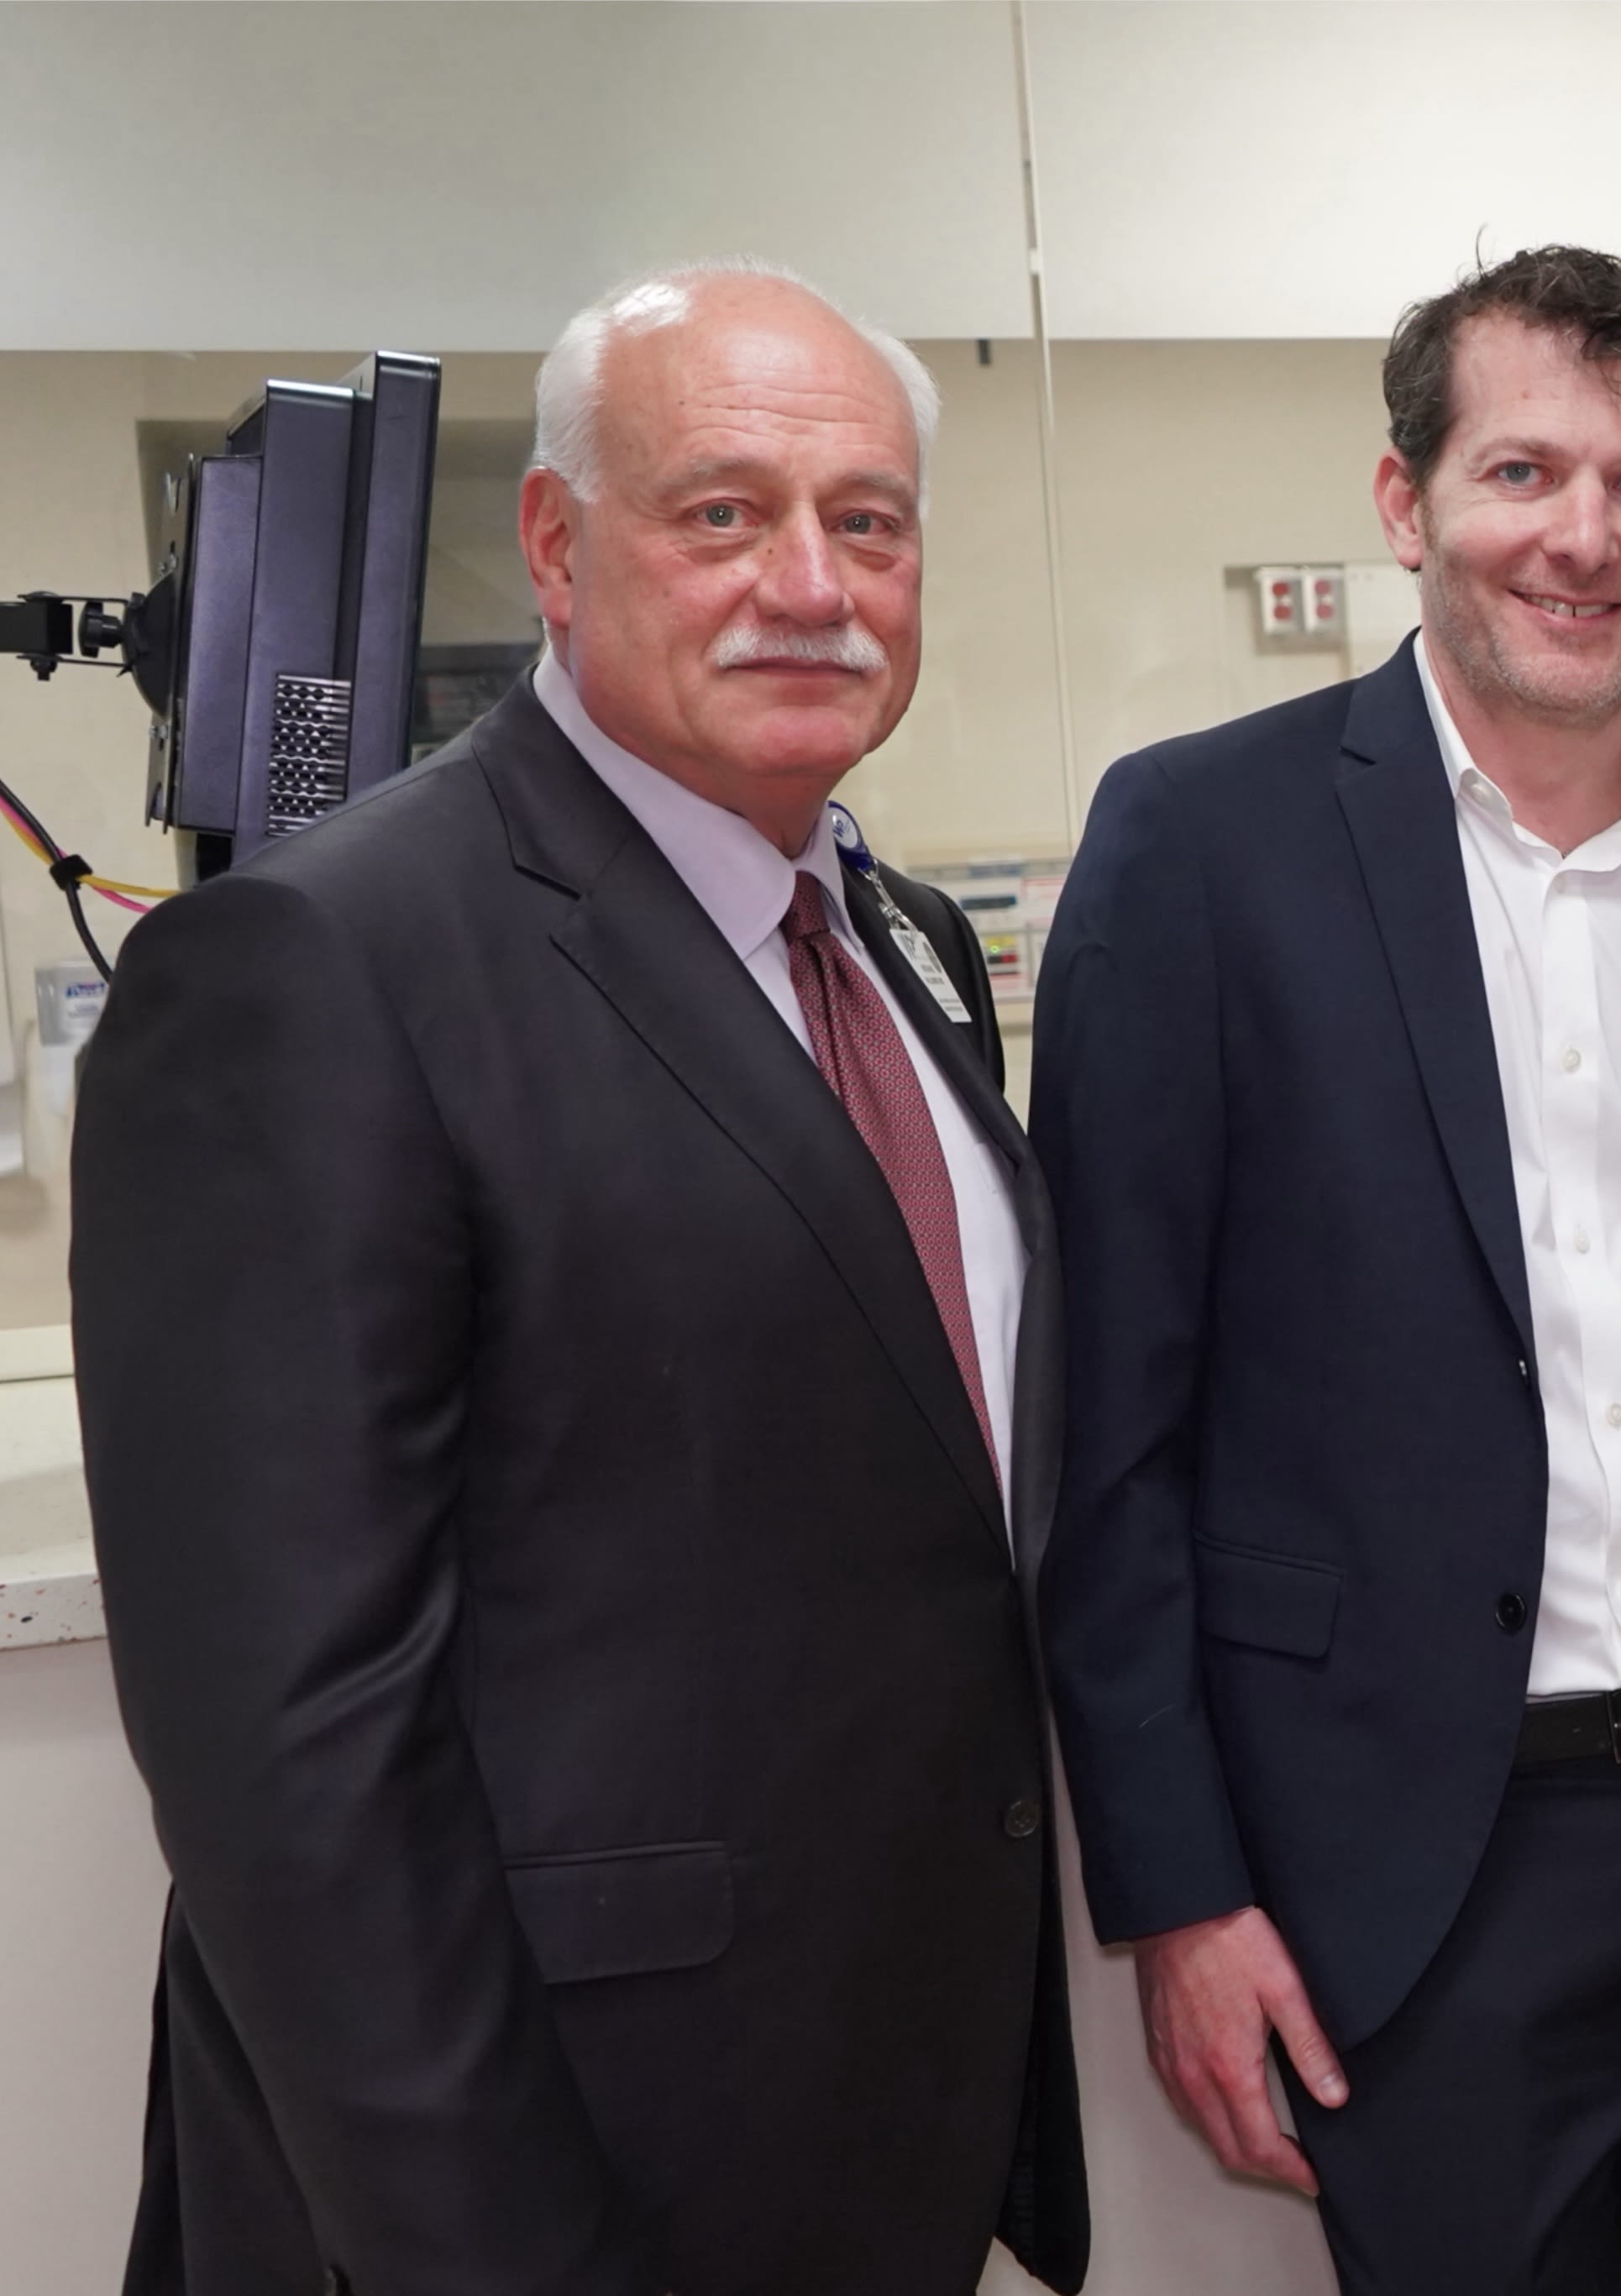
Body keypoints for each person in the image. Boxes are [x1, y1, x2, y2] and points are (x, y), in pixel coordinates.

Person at [76, 261, 1083, 2295]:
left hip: (866, 2126)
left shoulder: (891, 941)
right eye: (722, 511)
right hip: (536, 2181)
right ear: (556, 544)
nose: (811, 581)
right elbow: (295, 1762)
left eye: (866, 521)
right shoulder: (320, 966)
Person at [1032, 246, 1621, 2293]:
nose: (1586, 538)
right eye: (1525, 471)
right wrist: (1181, 1894)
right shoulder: (1199, 848)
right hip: (1417, 1857)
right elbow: (1107, 1435)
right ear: (1407, 501)